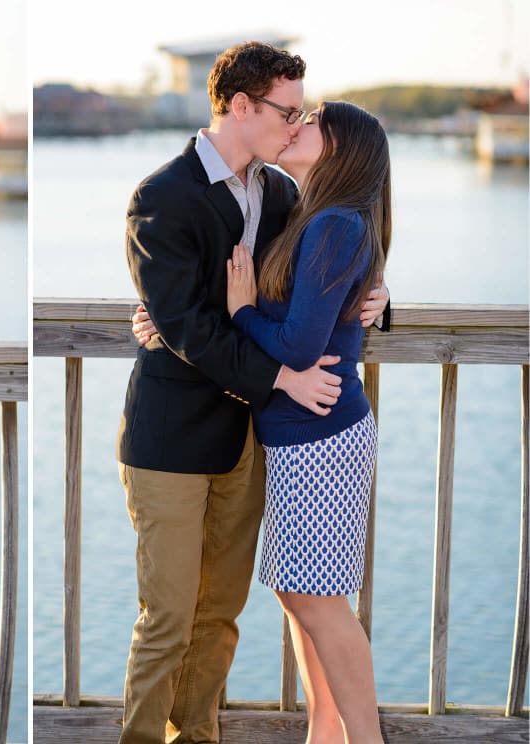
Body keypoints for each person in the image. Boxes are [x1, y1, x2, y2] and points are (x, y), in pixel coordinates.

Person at [116, 42, 389, 744]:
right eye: (287, 111)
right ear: (241, 107)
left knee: (223, 614)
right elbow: (187, 325)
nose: (296, 126)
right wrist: (280, 374)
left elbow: (324, 276)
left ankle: (198, 737)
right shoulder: (161, 196)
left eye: (304, 115)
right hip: (175, 432)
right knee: (169, 615)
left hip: (256, 439)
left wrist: (379, 298)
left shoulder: (284, 193)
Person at [225, 100, 390, 744]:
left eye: (312, 120)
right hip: (300, 438)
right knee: (299, 597)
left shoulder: (336, 225)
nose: (296, 126)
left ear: (340, 148)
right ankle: (324, 734)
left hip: (323, 436)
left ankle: (363, 739)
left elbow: (297, 346)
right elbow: (326, 306)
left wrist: (240, 311)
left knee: (321, 604)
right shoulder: (316, 218)